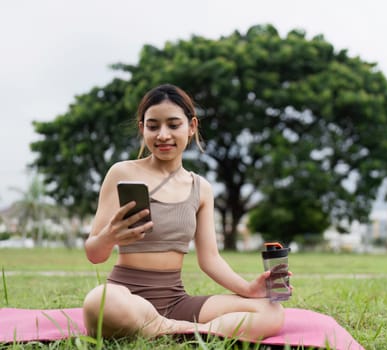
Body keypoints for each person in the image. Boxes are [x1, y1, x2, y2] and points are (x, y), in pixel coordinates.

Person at [82, 84, 286, 341]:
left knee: (272, 311)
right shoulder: (122, 173)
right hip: (126, 297)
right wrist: (110, 236)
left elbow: (210, 259)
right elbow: (94, 254)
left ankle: (171, 330)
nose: (163, 135)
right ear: (142, 128)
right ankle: (184, 332)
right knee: (99, 302)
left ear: (191, 127)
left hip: (176, 302)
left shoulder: (201, 188)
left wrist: (248, 288)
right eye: (153, 126)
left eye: (173, 125)